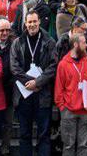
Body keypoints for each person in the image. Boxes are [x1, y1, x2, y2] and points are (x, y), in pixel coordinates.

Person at [10, 10, 57, 156]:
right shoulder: (18, 42)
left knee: (44, 135)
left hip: (42, 95)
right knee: (25, 135)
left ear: (39, 22)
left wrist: (37, 83)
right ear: (25, 23)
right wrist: (30, 82)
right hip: (24, 95)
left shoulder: (49, 41)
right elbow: (14, 66)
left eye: (34, 21)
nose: (32, 25)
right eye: (29, 22)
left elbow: (53, 65)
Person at [54, 32, 87, 156]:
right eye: (83, 43)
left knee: (84, 146)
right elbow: (59, 88)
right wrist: (62, 107)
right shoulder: (63, 64)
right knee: (68, 146)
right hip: (68, 111)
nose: (86, 45)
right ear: (75, 44)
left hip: (85, 110)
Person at [0, 18, 15, 156]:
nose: (5, 33)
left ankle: (5, 147)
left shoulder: (15, 44)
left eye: (7, 30)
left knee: (8, 122)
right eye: (2, 30)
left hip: (9, 89)